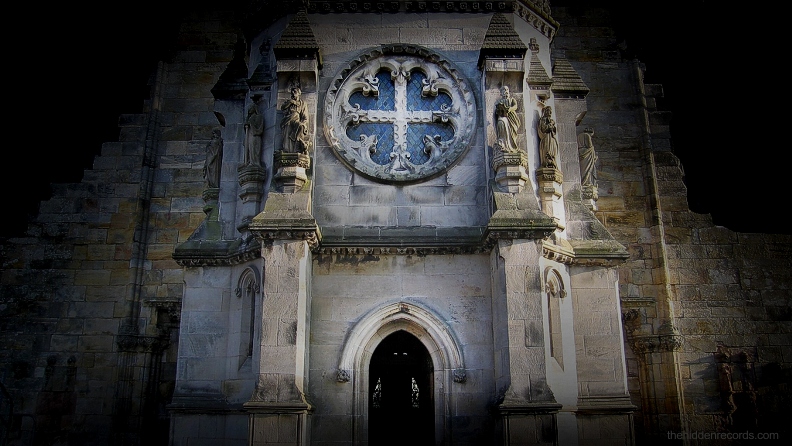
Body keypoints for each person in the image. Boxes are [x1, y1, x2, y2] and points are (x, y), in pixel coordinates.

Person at [280, 87, 311, 153]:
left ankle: (297, 148)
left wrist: (303, 123)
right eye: (292, 92)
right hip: (288, 119)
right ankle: (287, 150)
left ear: (299, 93)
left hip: (296, 119)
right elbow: (283, 107)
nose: (293, 93)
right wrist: (290, 102)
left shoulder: (302, 103)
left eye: (295, 92)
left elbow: (305, 117)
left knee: (301, 126)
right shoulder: (289, 102)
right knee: (287, 132)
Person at [494, 86, 520, 153]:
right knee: (501, 122)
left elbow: (515, 106)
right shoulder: (499, 101)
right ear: (501, 93)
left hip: (511, 117)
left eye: (507, 89)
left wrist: (509, 109)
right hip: (503, 116)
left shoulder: (512, 99)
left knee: (512, 130)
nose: (506, 91)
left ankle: (512, 146)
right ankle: (503, 144)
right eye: (504, 90)